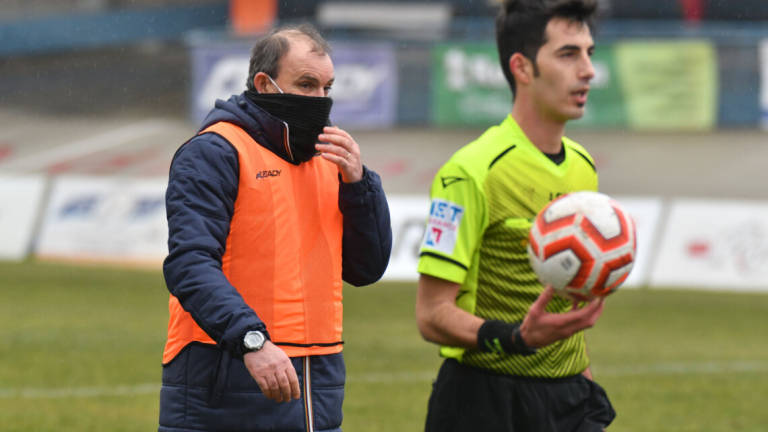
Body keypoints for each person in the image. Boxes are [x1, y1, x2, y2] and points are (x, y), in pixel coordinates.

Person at [159, 24, 392, 432]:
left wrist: (361, 186)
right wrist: (252, 340)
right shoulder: (215, 151)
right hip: (226, 372)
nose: (320, 100)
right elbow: (189, 265)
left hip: (317, 382)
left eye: (327, 87)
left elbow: (366, 269)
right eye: (306, 85)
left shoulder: (332, 159)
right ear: (265, 84)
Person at [415, 0, 616, 431]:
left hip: (569, 399)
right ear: (522, 68)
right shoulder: (469, 172)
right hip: (483, 401)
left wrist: (581, 377)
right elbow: (431, 314)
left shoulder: (584, 166)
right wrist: (517, 339)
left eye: (589, 53)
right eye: (568, 54)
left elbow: (562, 302)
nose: (587, 71)